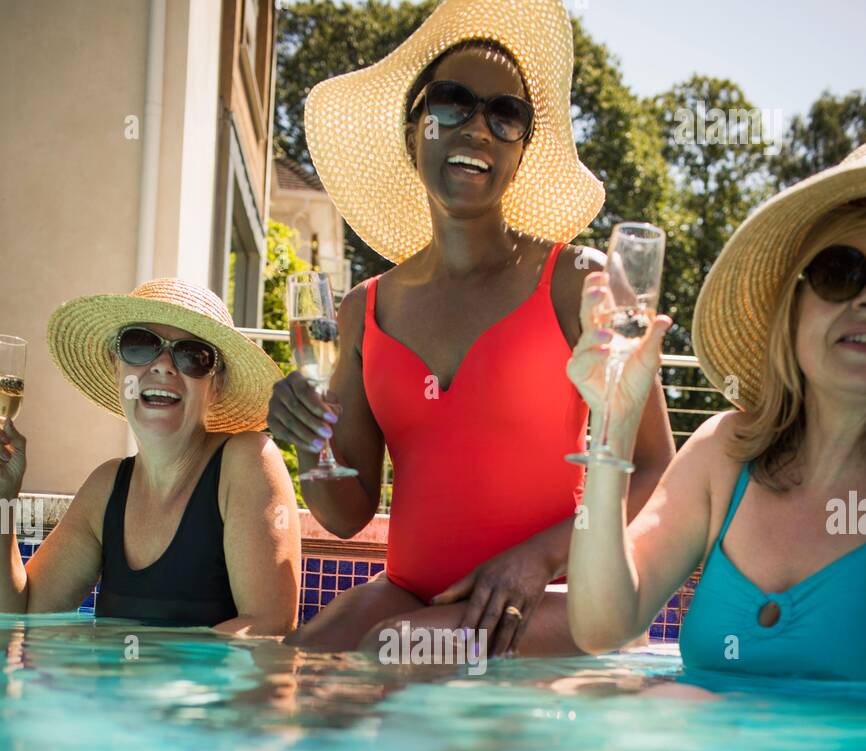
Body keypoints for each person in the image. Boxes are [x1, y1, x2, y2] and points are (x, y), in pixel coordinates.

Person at [268, 0, 674, 656]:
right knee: (283, 675)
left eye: (505, 114)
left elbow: (658, 468)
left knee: (395, 648)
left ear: (519, 153)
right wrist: (307, 445)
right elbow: (345, 516)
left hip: (561, 598)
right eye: (451, 103)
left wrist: (539, 559)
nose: (477, 128)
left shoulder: (583, 282)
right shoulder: (363, 311)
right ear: (413, 133)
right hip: (412, 594)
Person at [566, 143, 866, 682]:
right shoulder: (725, 454)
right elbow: (600, 626)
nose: (863, 302)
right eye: (841, 273)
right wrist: (615, 420)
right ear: (791, 307)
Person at [0, 279, 301, 636]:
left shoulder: (248, 461)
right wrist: (4, 497)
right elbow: (21, 615)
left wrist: (147, 676)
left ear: (215, 384)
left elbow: (269, 628)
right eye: (140, 345)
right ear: (116, 367)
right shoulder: (106, 487)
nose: (163, 365)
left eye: (192, 355)